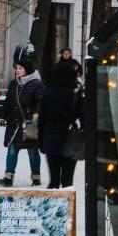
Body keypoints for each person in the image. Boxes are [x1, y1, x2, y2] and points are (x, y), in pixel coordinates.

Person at [0, 60, 43, 187]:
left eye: (20, 68)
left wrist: (35, 117)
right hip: (14, 123)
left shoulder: (37, 84)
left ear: (27, 70)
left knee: (32, 150)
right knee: (12, 149)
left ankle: (36, 177)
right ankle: (8, 177)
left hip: (29, 123)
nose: (17, 70)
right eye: (16, 68)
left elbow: (41, 102)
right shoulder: (14, 83)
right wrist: (3, 116)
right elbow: (8, 101)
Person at [38, 60, 81, 188]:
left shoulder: (48, 93)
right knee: (68, 180)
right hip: (70, 136)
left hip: (51, 136)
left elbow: (42, 119)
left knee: (54, 179)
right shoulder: (75, 94)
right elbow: (82, 116)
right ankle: (68, 205)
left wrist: (41, 140)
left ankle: (54, 204)